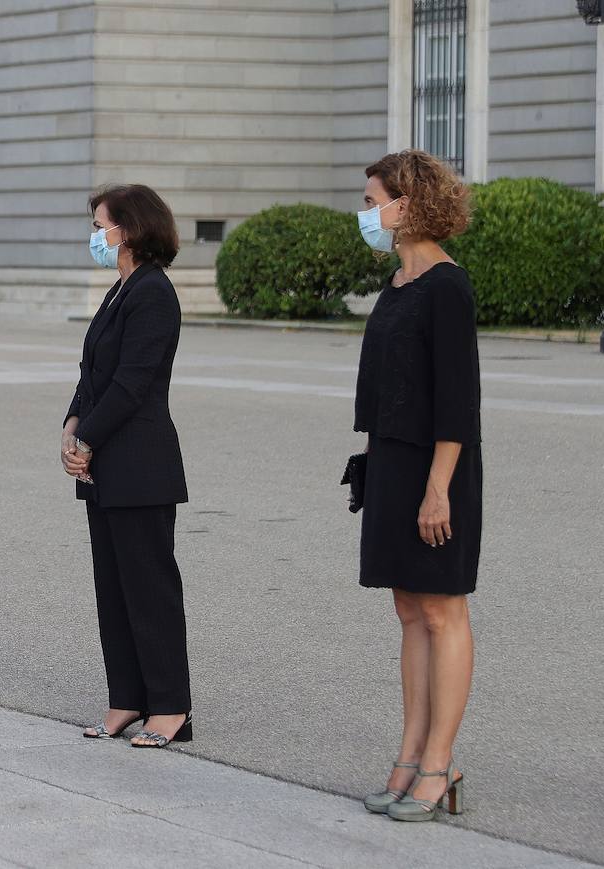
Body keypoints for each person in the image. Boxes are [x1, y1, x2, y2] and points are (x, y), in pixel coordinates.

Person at [353, 150, 479, 823]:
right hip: (394, 462)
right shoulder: (398, 286)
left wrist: (439, 489)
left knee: (442, 611)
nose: (367, 212)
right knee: (409, 611)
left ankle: (440, 760)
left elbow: (457, 402)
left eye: (374, 199)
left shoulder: (446, 287)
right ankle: (410, 753)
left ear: (409, 203)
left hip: (440, 468)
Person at [63, 184, 192, 750]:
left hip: (138, 463)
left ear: (130, 228)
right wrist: (72, 424)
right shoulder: (120, 290)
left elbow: (133, 382)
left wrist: (87, 436)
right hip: (105, 466)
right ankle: (127, 698)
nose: (97, 234)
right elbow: (93, 373)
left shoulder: (154, 294)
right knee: (112, 588)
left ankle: (170, 707)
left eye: (102, 224)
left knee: (149, 588)